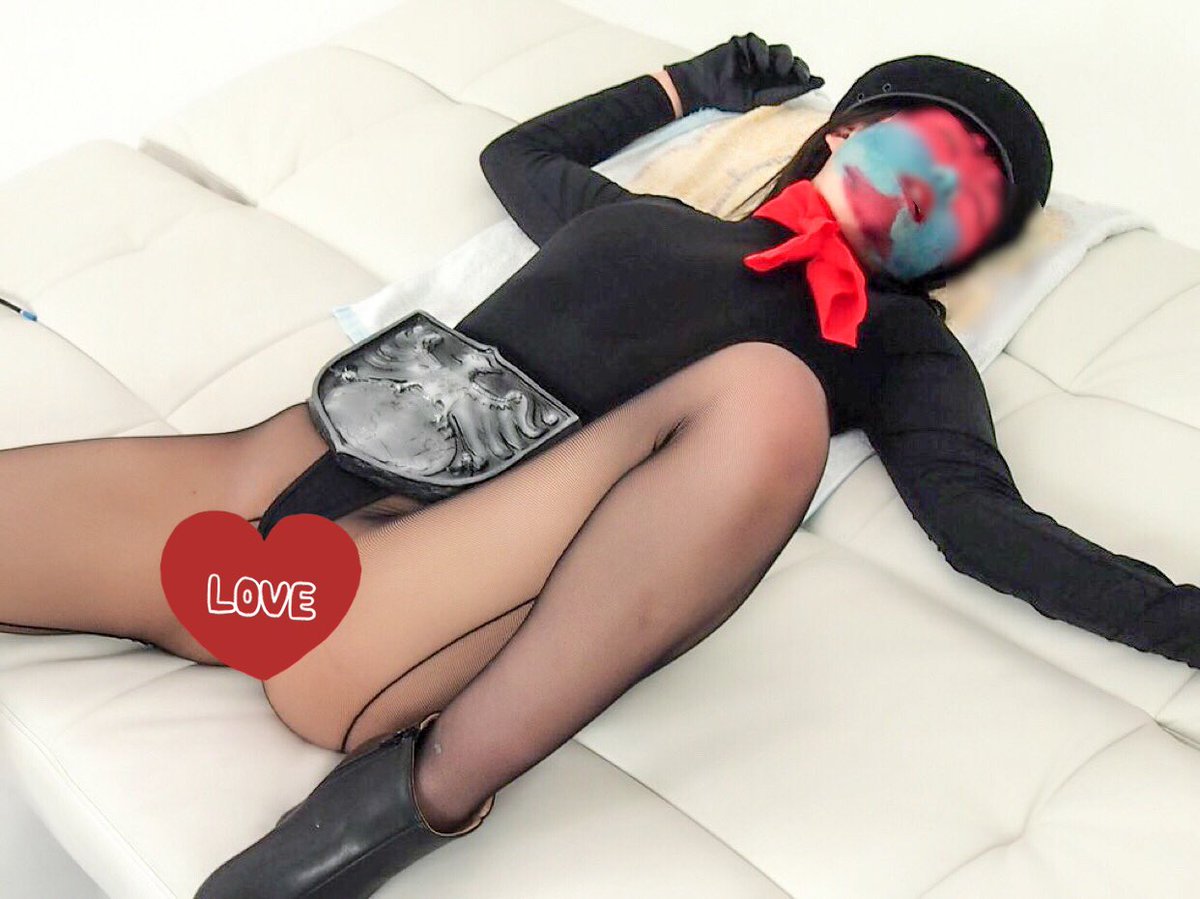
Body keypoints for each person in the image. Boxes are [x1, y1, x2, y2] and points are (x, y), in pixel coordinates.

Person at [0, 34, 1195, 899]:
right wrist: (693, 83)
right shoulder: (652, 220)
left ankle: (410, 801)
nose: (929, 198)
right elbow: (518, 152)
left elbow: (985, 522)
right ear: (846, 129)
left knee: (770, 395)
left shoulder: (893, 340)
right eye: (923, 154)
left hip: (382, 608)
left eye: (969, 207)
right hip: (248, 509)